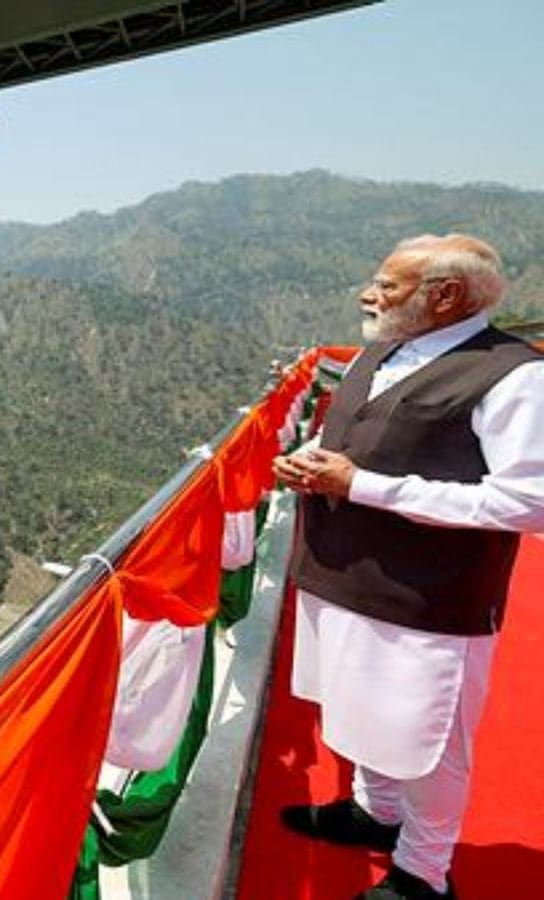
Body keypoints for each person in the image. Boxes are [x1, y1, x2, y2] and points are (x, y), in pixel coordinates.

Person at [272, 233, 544, 900]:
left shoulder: (515, 376)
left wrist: (363, 486)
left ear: (446, 296)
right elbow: (362, 435)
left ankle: (424, 872)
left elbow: (529, 502)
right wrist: (311, 460)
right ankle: (375, 810)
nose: (369, 293)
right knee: (361, 705)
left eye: (388, 285)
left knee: (430, 737)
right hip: (346, 575)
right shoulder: (384, 349)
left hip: (430, 597)